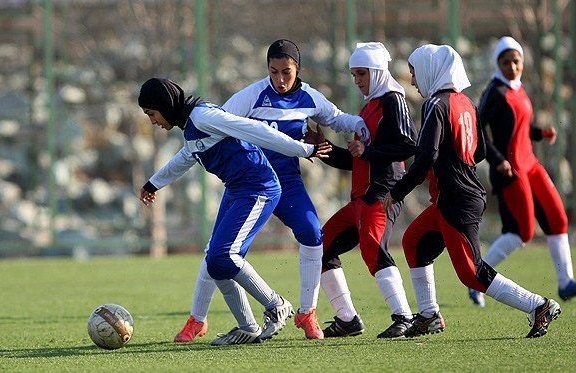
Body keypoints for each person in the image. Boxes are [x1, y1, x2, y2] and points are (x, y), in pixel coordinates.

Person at [173, 39, 371, 342]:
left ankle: (307, 312)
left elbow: (337, 119)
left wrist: (361, 124)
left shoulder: (310, 98)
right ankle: (196, 320)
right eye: (274, 71)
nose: (280, 79)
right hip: (250, 183)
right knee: (218, 251)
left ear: (298, 69)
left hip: (288, 183)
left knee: (312, 234)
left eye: (287, 72)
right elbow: (217, 125)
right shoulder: (251, 95)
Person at [384, 44, 561, 338]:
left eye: (414, 73)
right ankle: (429, 316)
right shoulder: (465, 102)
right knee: (414, 240)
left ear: (430, 70)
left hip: (456, 200)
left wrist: (398, 191)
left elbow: (426, 155)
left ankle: (538, 305)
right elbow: (478, 151)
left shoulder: (435, 105)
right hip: (455, 196)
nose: (413, 80)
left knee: (471, 273)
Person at [137, 77, 332, 345]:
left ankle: (276, 305)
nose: (153, 121)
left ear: (164, 104)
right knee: (216, 260)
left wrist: (304, 149)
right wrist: (153, 183)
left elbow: (256, 130)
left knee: (222, 256)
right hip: (238, 190)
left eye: (151, 113)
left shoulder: (203, 116)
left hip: (258, 189)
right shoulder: (191, 126)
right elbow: (186, 156)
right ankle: (248, 327)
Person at [305, 42, 418, 338]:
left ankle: (405, 317)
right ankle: (347, 319)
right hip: (362, 196)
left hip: (383, 192)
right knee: (322, 246)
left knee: (372, 248)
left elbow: (409, 144)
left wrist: (366, 150)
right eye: (354, 75)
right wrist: (322, 147)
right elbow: (355, 159)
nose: (357, 81)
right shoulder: (368, 107)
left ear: (378, 71)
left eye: (362, 74)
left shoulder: (393, 98)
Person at [467, 36, 576, 307]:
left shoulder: (518, 87)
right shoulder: (495, 91)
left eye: (516, 61)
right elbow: (478, 131)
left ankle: (565, 283)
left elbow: (517, 128)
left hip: (530, 163)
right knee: (522, 233)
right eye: (506, 62)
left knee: (557, 219)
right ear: (497, 63)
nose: (512, 67)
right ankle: (476, 278)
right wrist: (497, 159)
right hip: (510, 170)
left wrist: (540, 133)